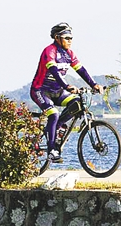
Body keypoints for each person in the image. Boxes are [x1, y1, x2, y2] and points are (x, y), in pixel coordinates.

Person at [30, 23, 102, 163]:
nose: (70, 41)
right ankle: (51, 150)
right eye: (66, 38)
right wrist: (67, 86)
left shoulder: (69, 54)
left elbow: (81, 70)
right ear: (57, 38)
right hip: (40, 91)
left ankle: (56, 127)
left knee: (77, 103)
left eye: (71, 38)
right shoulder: (49, 51)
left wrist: (93, 84)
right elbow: (54, 71)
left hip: (58, 92)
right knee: (54, 114)